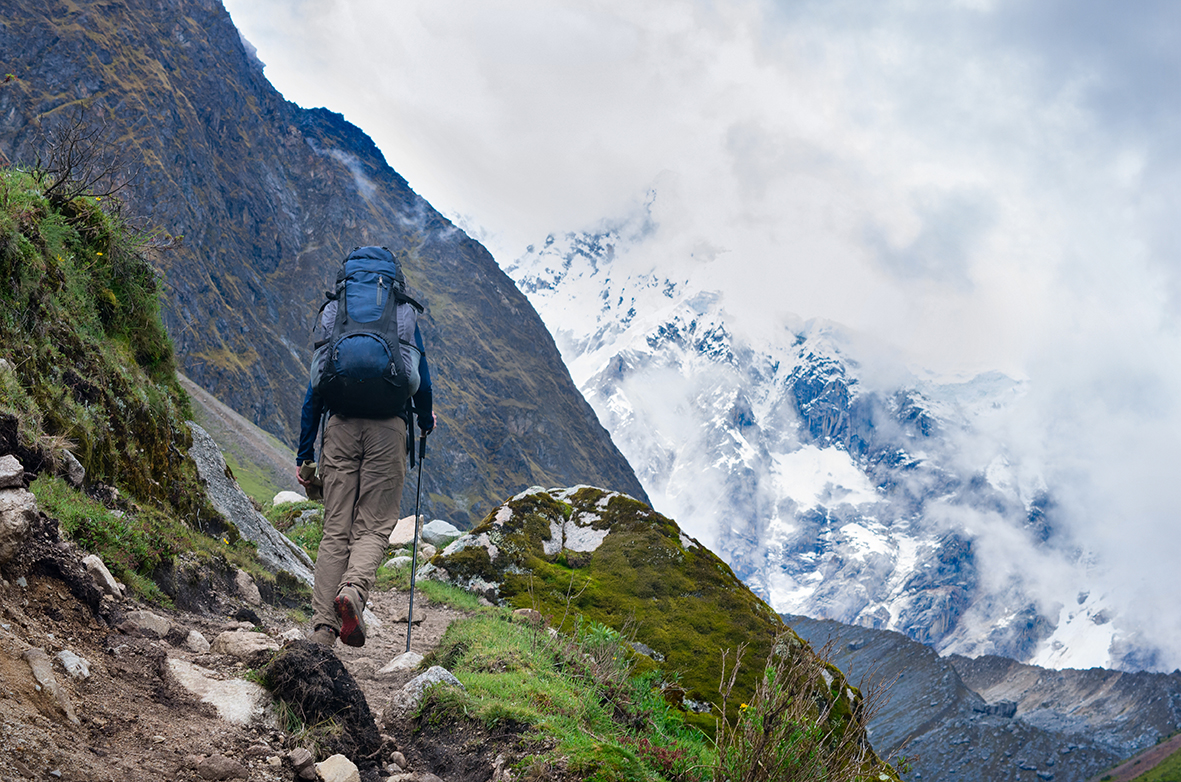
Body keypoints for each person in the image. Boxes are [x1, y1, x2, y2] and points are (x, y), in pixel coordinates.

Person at [295, 253, 435, 648]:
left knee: (335, 530)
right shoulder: (403, 312)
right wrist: (425, 421)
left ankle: (322, 632)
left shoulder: (335, 311)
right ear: (394, 282)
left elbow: (315, 387)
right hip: (388, 432)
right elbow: (420, 380)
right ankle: (353, 593)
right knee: (372, 526)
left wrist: (305, 454)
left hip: (339, 428)